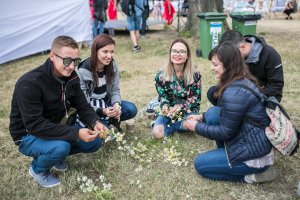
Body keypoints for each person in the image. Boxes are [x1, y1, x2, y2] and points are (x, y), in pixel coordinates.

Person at [9, 36, 108, 188]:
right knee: (61, 147)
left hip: (53, 127)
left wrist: (95, 122)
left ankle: (55, 155)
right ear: (52, 56)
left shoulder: (71, 78)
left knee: (94, 142)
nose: (71, 66)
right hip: (27, 135)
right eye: (67, 60)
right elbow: (35, 125)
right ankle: (37, 169)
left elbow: (83, 106)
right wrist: (75, 133)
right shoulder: (29, 83)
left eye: (75, 61)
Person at [183, 43, 276, 183]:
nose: (211, 68)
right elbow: (228, 114)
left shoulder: (234, 93)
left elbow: (225, 132)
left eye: (215, 65)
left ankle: (253, 175)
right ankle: (226, 152)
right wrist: (201, 117)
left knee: (200, 165)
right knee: (214, 112)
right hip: (251, 138)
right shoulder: (241, 79)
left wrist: (196, 127)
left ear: (228, 65)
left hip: (253, 154)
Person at [76, 34, 137, 130]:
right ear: (95, 51)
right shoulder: (82, 70)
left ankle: (110, 119)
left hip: (106, 101)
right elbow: (83, 102)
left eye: (112, 52)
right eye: (105, 52)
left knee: (131, 109)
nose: (109, 56)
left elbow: (115, 90)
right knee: (104, 132)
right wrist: (102, 111)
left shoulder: (112, 65)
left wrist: (116, 105)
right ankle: (104, 121)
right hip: (91, 107)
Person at [213, 30, 284, 104]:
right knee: (213, 92)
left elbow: (276, 85)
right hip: (242, 91)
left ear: (243, 47)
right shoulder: (235, 57)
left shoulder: (269, 54)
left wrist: (252, 96)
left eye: (232, 53)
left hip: (266, 96)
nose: (230, 57)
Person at [152, 38, 202, 139]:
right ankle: (179, 125)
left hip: (188, 111)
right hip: (168, 112)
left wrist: (180, 106)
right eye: (174, 51)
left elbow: (195, 99)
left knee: (194, 124)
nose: (177, 54)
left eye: (182, 51)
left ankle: (173, 126)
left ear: (187, 55)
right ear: (170, 54)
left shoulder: (195, 75)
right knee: (157, 133)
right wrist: (165, 105)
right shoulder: (161, 75)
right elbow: (162, 96)